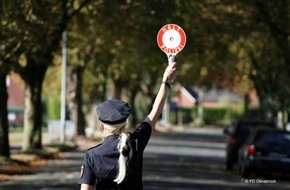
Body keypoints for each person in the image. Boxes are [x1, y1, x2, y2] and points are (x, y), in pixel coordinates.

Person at [79, 62, 177, 190]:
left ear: (102, 127)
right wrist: (166, 82)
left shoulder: (92, 156)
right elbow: (154, 113)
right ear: (125, 124)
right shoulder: (135, 144)